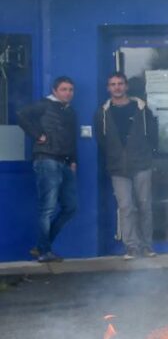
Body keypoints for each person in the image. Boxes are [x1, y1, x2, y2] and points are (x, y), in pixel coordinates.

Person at [93, 72, 159, 259]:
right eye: (113, 84)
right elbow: (102, 140)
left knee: (145, 206)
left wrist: (146, 155)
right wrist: (115, 156)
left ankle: (147, 246)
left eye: (120, 84)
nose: (117, 87)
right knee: (126, 207)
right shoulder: (103, 113)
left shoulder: (141, 109)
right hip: (118, 167)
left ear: (126, 86)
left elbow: (153, 135)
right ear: (108, 88)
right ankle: (131, 246)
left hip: (141, 164)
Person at [17, 76, 78, 263]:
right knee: (48, 208)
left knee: (70, 207)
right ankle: (44, 252)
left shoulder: (70, 111)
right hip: (46, 160)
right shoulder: (44, 105)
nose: (68, 93)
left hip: (65, 162)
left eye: (70, 90)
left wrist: (74, 161)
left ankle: (42, 246)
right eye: (64, 89)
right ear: (54, 91)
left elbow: (72, 138)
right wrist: (37, 135)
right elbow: (21, 114)